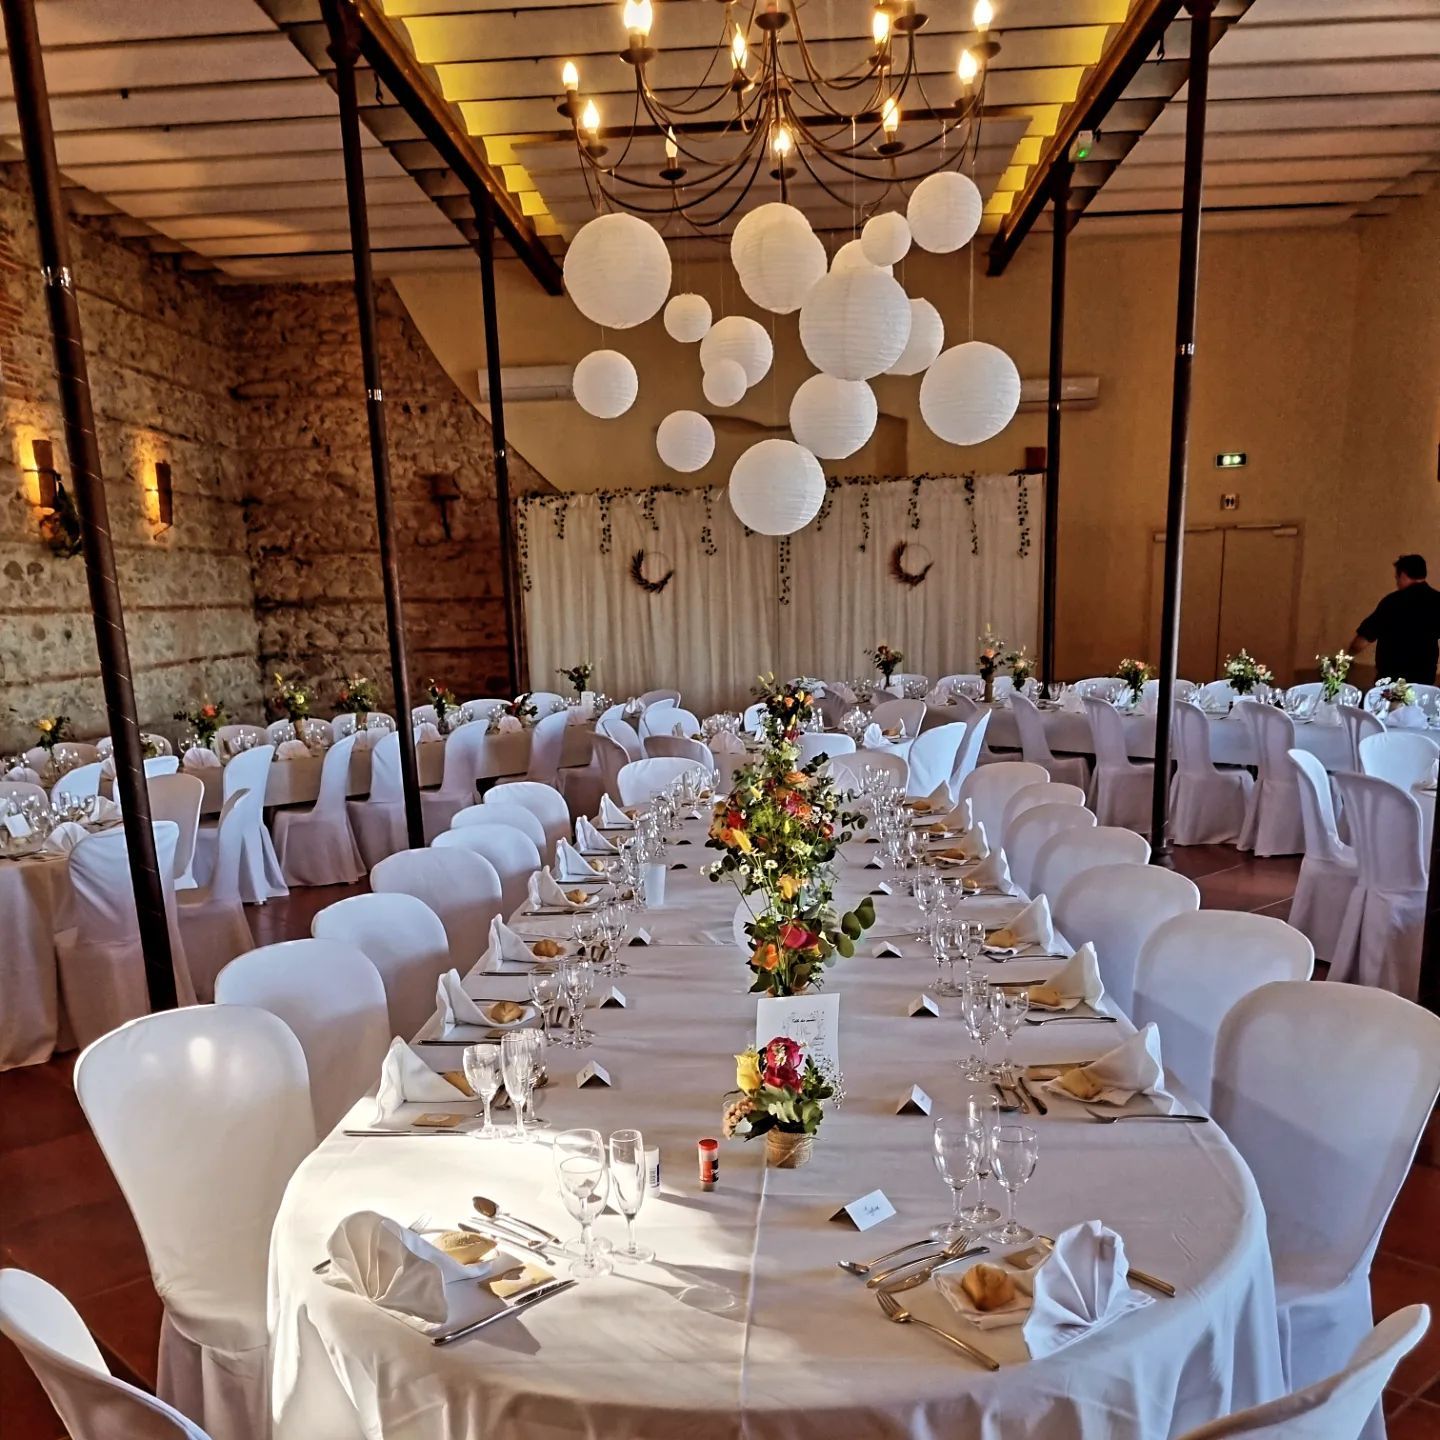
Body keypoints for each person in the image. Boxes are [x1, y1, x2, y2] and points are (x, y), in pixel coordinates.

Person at [1348, 555, 1440, 684]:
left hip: (1391, 680)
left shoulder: (1392, 602)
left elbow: (1363, 639)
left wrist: (1346, 657)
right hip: (1424, 681)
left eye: (1396, 577)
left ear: (1403, 575)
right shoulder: (1437, 601)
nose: (1396, 582)